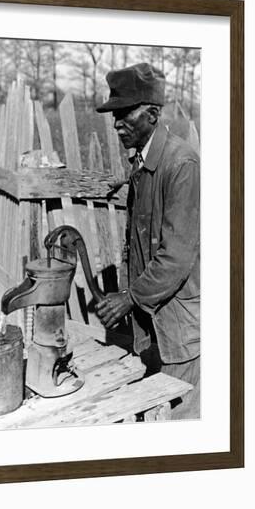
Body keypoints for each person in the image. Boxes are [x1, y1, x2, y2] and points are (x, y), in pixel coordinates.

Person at [95, 62, 200, 419]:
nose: (116, 123)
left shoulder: (181, 163)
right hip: (152, 326)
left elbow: (176, 258)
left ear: (153, 114)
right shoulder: (143, 163)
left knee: (179, 428)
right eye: (114, 114)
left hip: (178, 331)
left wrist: (130, 297)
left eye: (124, 113)